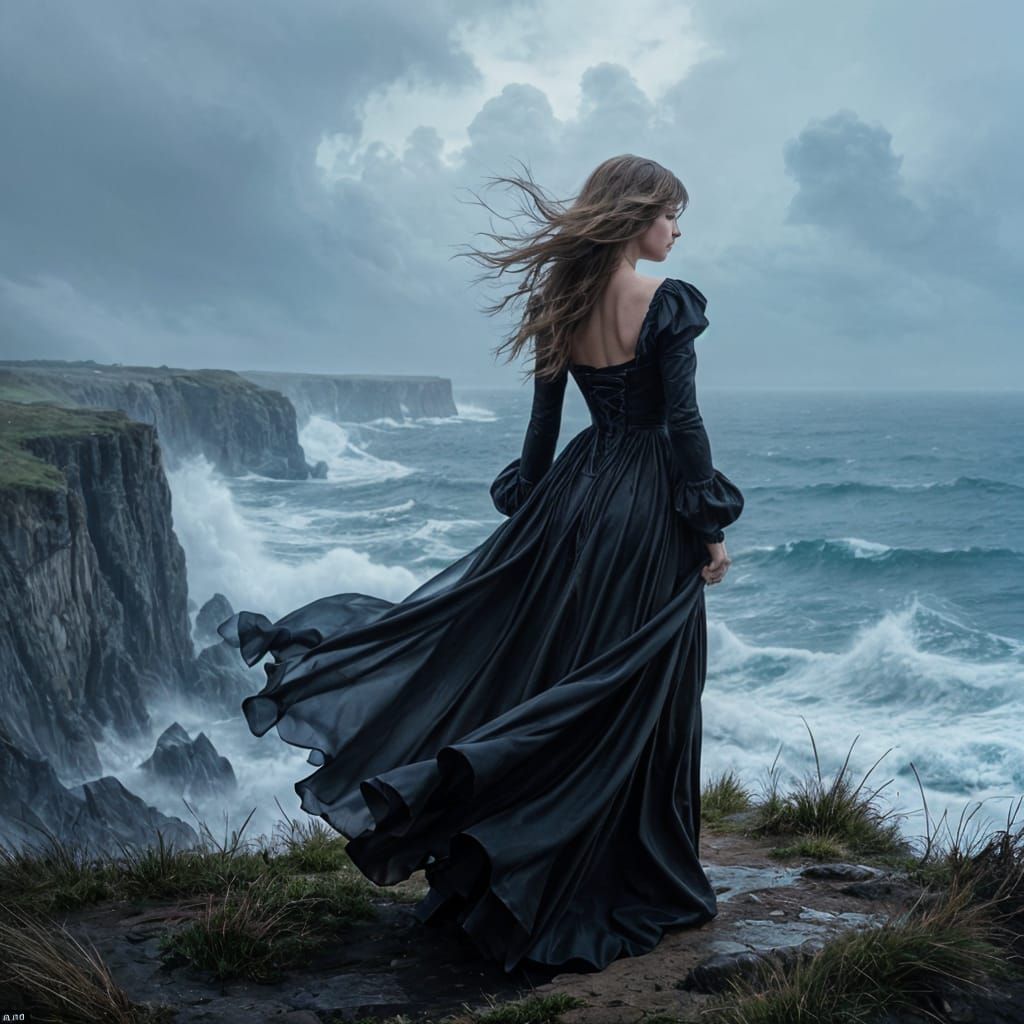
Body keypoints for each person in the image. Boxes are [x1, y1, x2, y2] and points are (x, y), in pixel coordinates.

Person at [218, 153, 744, 974]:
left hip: (577, 497)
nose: (677, 231)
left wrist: (533, 508)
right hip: (644, 507)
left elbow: (542, 430)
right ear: (637, 214)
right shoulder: (666, 302)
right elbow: (683, 425)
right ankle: (633, 871)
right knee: (646, 687)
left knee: (570, 674)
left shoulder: (560, 302)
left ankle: (527, 857)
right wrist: (708, 529)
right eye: (672, 214)